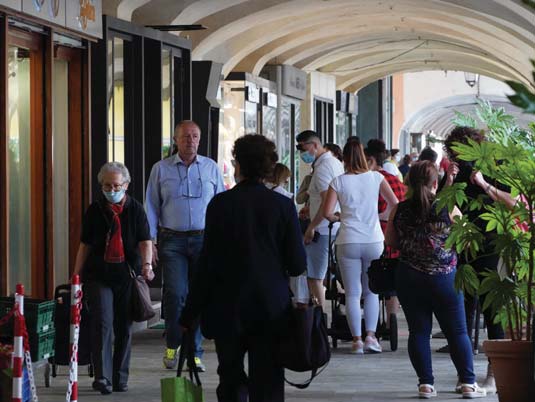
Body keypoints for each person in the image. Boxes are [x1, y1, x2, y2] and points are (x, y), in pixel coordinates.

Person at [180, 134, 307, 402]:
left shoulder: (220, 205)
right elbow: (297, 264)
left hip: (228, 305)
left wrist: (190, 312)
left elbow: (207, 263)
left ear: (238, 164)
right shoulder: (283, 206)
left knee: (230, 376)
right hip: (271, 306)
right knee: (269, 378)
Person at [385, 161, 487, 399]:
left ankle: (426, 385)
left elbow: (390, 241)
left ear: (408, 182)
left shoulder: (399, 209)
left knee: (418, 331)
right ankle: (468, 384)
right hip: (445, 278)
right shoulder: (448, 208)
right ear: (434, 183)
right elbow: (468, 241)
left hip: (409, 277)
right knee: (458, 331)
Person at [145, 120, 225, 371]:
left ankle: (195, 352)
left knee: (199, 296)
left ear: (200, 140)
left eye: (195, 136)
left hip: (204, 240)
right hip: (172, 240)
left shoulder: (211, 168)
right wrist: (151, 243)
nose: (191, 140)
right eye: (185, 136)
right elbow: (151, 207)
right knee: (176, 294)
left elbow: (220, 206)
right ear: (176, 140)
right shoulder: (161, 169)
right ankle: (173, 345)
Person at [73, 162, 153, 394]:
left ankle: (120, 377)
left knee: (124, 328)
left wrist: (147, 265)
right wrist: (76, 273)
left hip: (126, 276)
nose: (112, 189)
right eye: (107, 185)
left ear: (126, 185)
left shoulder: (136, 210)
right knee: (103, 323)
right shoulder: (94, 210)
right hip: (99, 275)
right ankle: (103, 377)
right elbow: (85, 245)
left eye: (117, 185)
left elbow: (145, 241)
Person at [440, 126, 507, 393]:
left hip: (491, 243)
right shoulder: (454, 171)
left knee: (492, 310)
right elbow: (442, 206)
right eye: (453, 152)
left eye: (459, 149)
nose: (456, 156)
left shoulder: (493, 166)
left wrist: (483, 184)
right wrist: (448, 182)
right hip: (464, 242)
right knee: (463, 311)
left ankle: (494, 373)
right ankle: (465, 374)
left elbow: (511, 203)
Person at [323, 139, 398, 354]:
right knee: (371, 291)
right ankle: (371, 338)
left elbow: (328, 213)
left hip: (347, 240)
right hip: (373, 240)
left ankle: (356, 340)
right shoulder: (376, 177)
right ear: (365, 157)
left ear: (344, 159)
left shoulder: (338, 181)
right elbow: (394, 204)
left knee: (352, 293)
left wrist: (340, 217)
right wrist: (378, 216)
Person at [297, 130, 344, 307]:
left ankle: (319, 320)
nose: (301, 153)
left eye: (302, 148)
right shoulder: (335, 162)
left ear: (315, 145)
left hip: (322, 230)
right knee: (319, 275)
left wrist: (312, 227)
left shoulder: (324, 167)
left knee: (314, 277)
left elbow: (327, 202)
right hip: (330, 227)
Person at [366, 139, 406, 330]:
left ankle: (370, 323)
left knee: (372, 276)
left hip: (375, 233)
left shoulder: (372, 180)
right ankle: (392, 318)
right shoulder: (396, 181)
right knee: (391, 277)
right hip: (395, 235)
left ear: (371, 160)